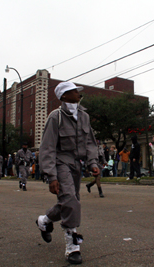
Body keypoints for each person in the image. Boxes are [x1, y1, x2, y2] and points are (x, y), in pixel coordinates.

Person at [36, 81, 99, 265]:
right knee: (70, 201)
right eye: (73, 91)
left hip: (76, 165)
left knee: (69, 202)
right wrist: (51, 176)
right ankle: (72, 247)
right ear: (63, 96)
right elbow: (47, 148)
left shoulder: (84, 116)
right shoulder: (56, 117)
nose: (78, 94)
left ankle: (44, 220)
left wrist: (92, 162)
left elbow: (90, 143)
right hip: (61, 162)